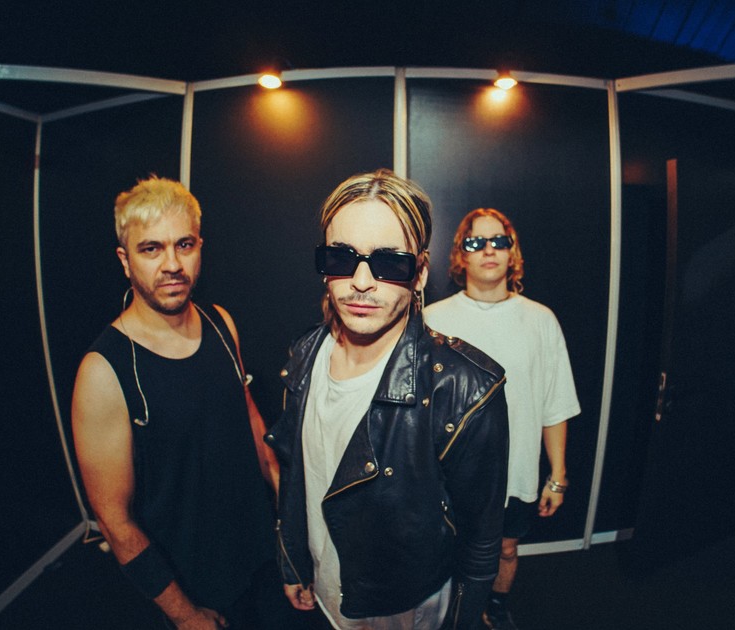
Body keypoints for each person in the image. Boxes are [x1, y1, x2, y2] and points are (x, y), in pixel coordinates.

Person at [268, 169, 510, 630]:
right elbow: (297, 474)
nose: (361, 281)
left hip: (405, 611)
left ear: (420, 273)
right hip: (326, 594)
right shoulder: (304, 355)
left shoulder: (464, 390)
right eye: (341, 258)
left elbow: (481, 543)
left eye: (389, 263)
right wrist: (294, 562)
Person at [71, 176, 288, 629]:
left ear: (199, 247)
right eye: (151, 249)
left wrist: (293, 531)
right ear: (125, 261)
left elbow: (251, 421)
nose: (172, 264)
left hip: (261, 556)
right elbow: (113, 520)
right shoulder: (104, 370)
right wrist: (185, 616)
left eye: (184, 245)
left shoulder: (220, 323)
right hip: (193, 585)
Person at [423, 208, 580, 630]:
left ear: (513, 253)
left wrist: (558, 476)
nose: (488, 250)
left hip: (516, 473)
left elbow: (555, 402)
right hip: (448, 476)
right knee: (447, 552)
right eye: (476, 242)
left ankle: (494, 605)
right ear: (461, 256)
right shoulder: (433, 319)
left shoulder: (541, 320)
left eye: (499, 241)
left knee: (506, 550)